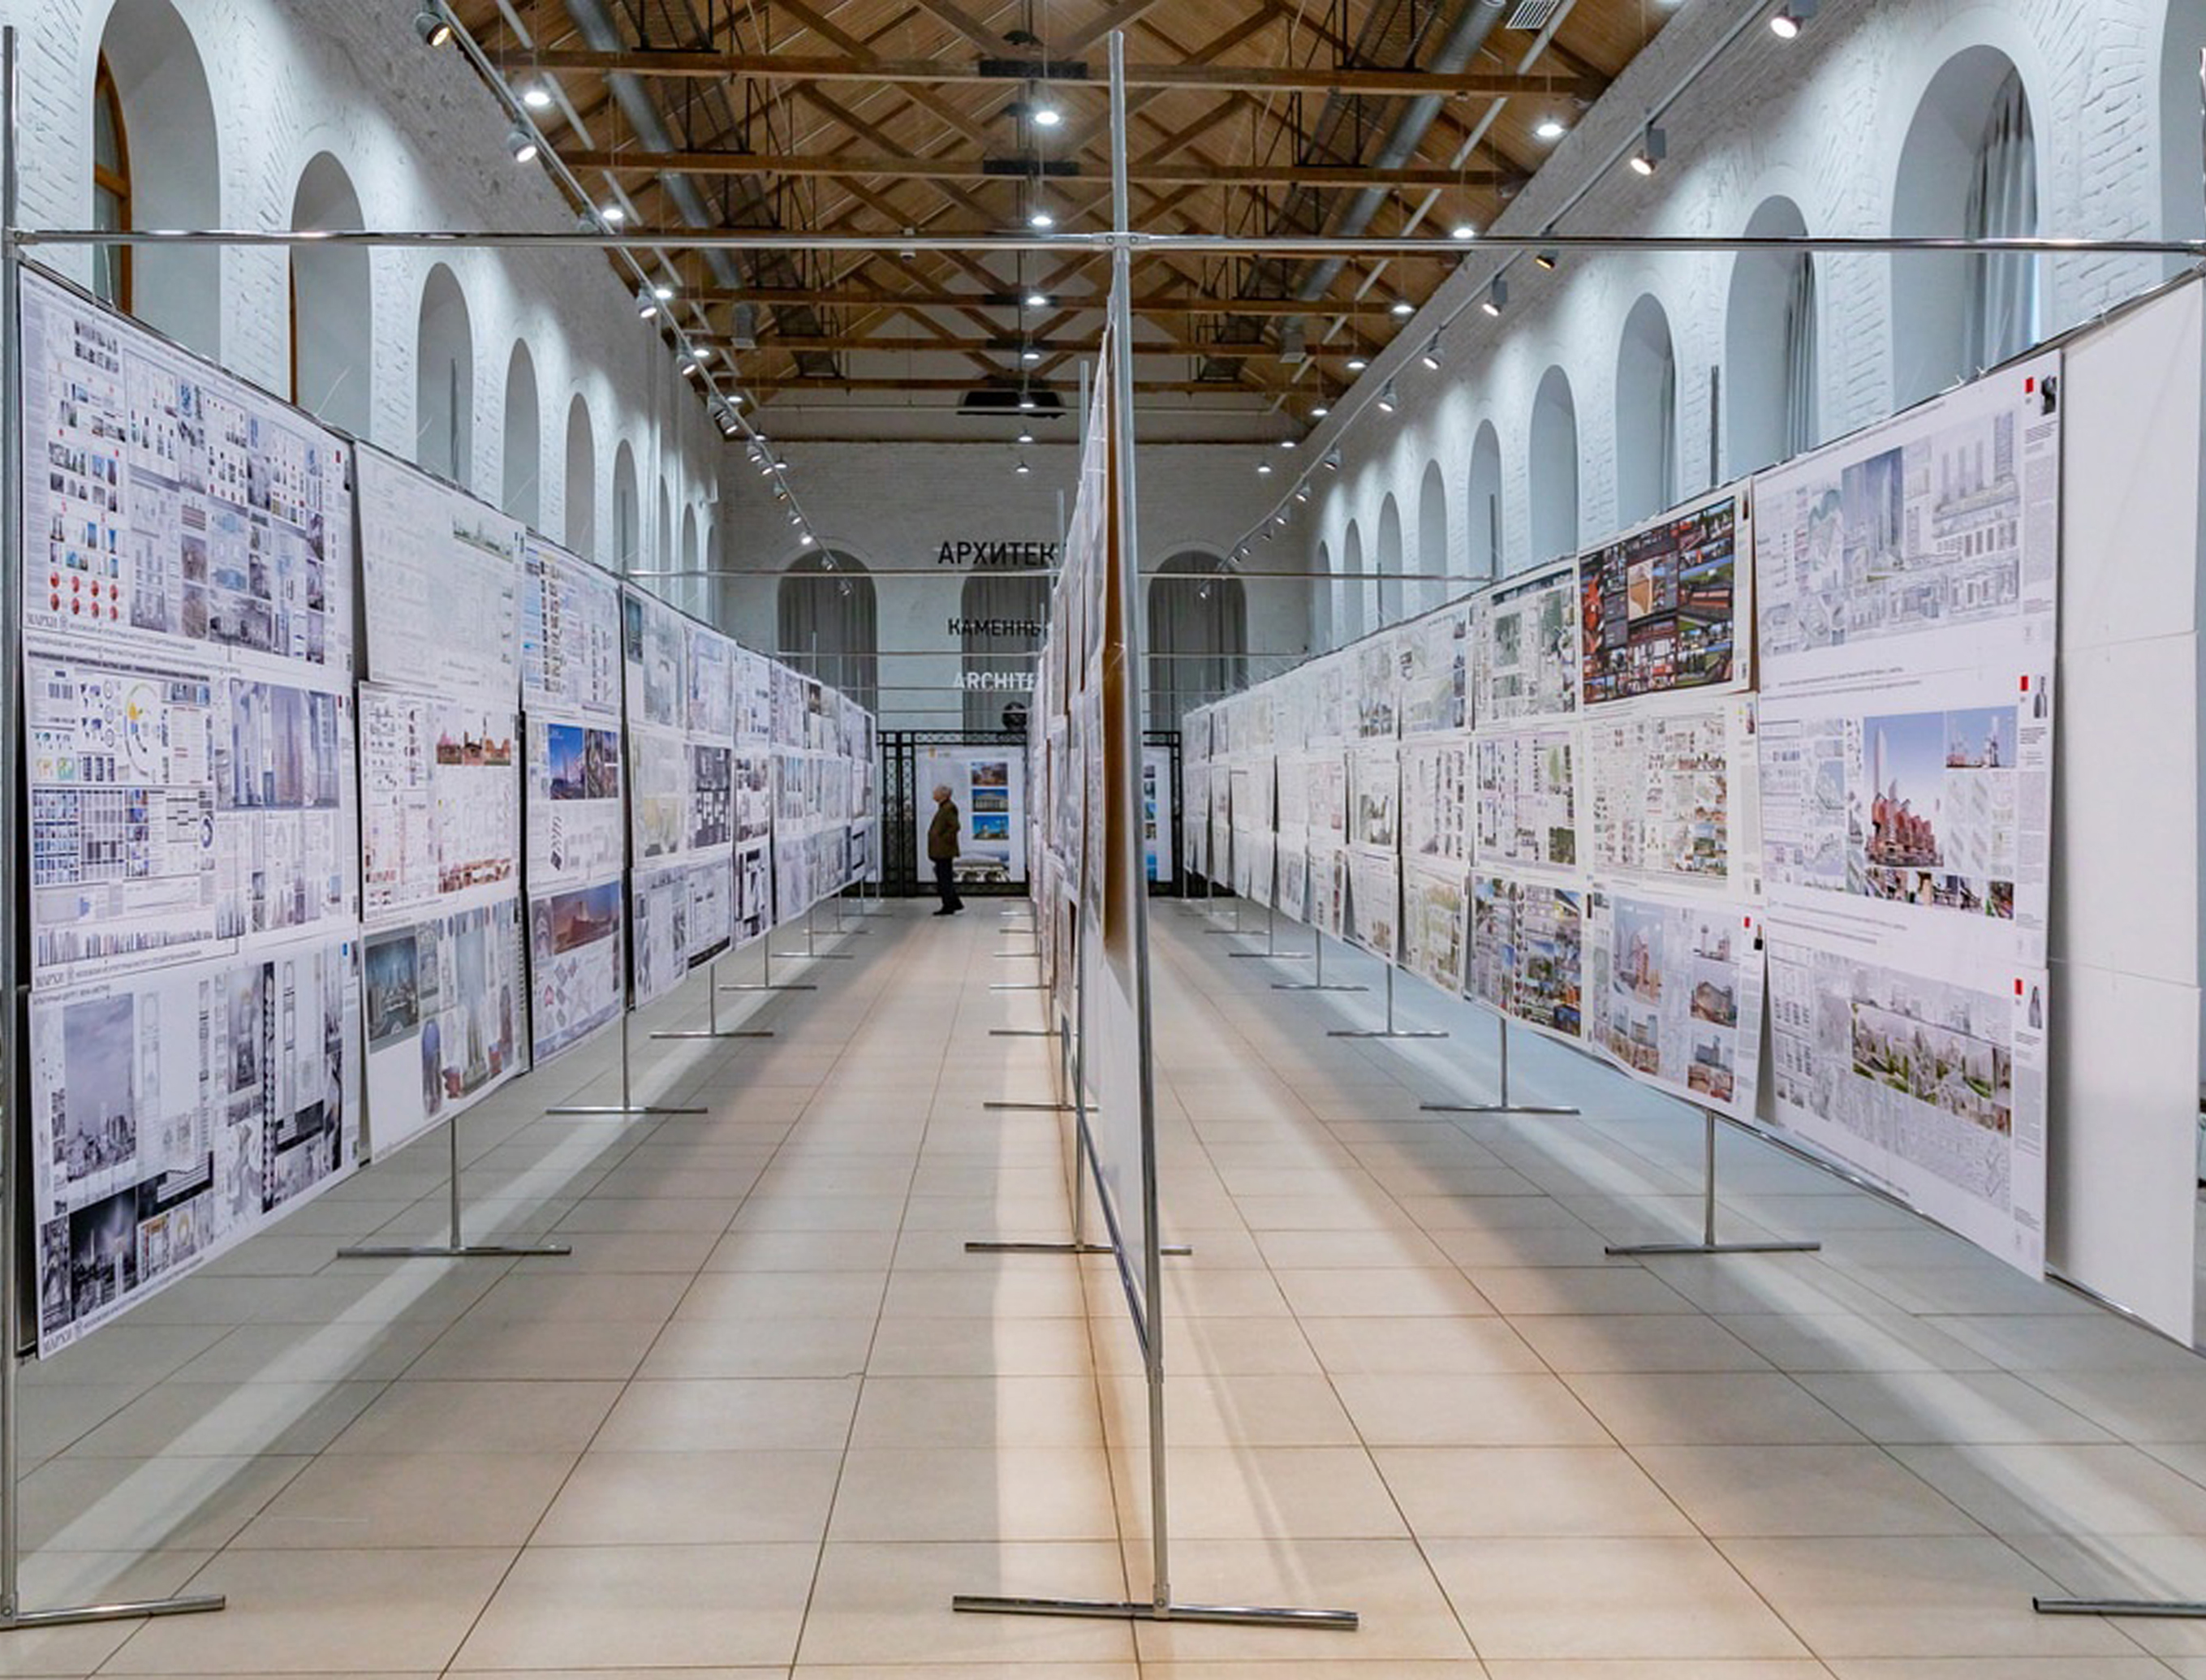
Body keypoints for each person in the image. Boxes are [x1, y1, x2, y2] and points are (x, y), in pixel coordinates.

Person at [927, 783, 965, 915]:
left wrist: (943, 839)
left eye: (935, 792)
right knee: (944, 877)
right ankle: (954, 903)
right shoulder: (944, 807)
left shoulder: (948, 808)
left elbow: (955, 826)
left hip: (944, 850)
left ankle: (949, 905)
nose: (933, 794)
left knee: (944, 878)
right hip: (941, 850)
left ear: (943, 795)